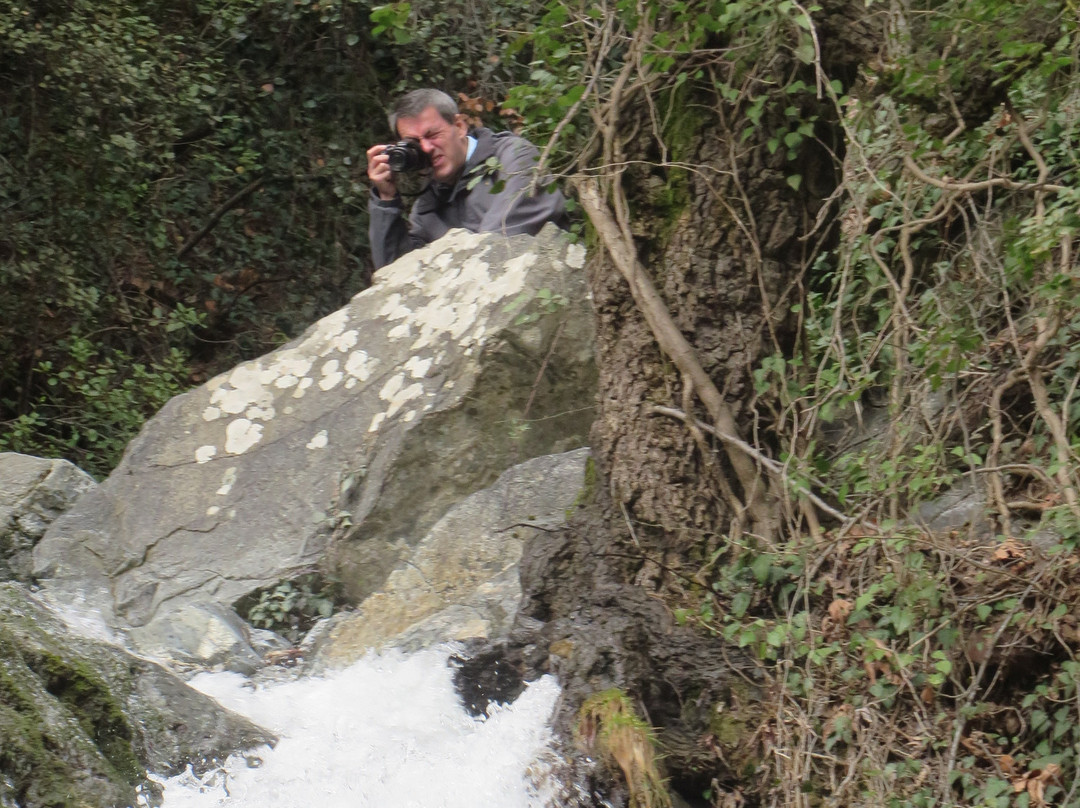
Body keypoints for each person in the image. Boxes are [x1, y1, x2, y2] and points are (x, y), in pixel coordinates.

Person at [366, 89, 567, 270]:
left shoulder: (513, 156)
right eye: (414, 143)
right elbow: (395, 276)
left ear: (460, 126)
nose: (426, 148)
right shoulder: (427, 206)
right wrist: (386, 200)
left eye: (433, 134)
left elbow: (498, 245)